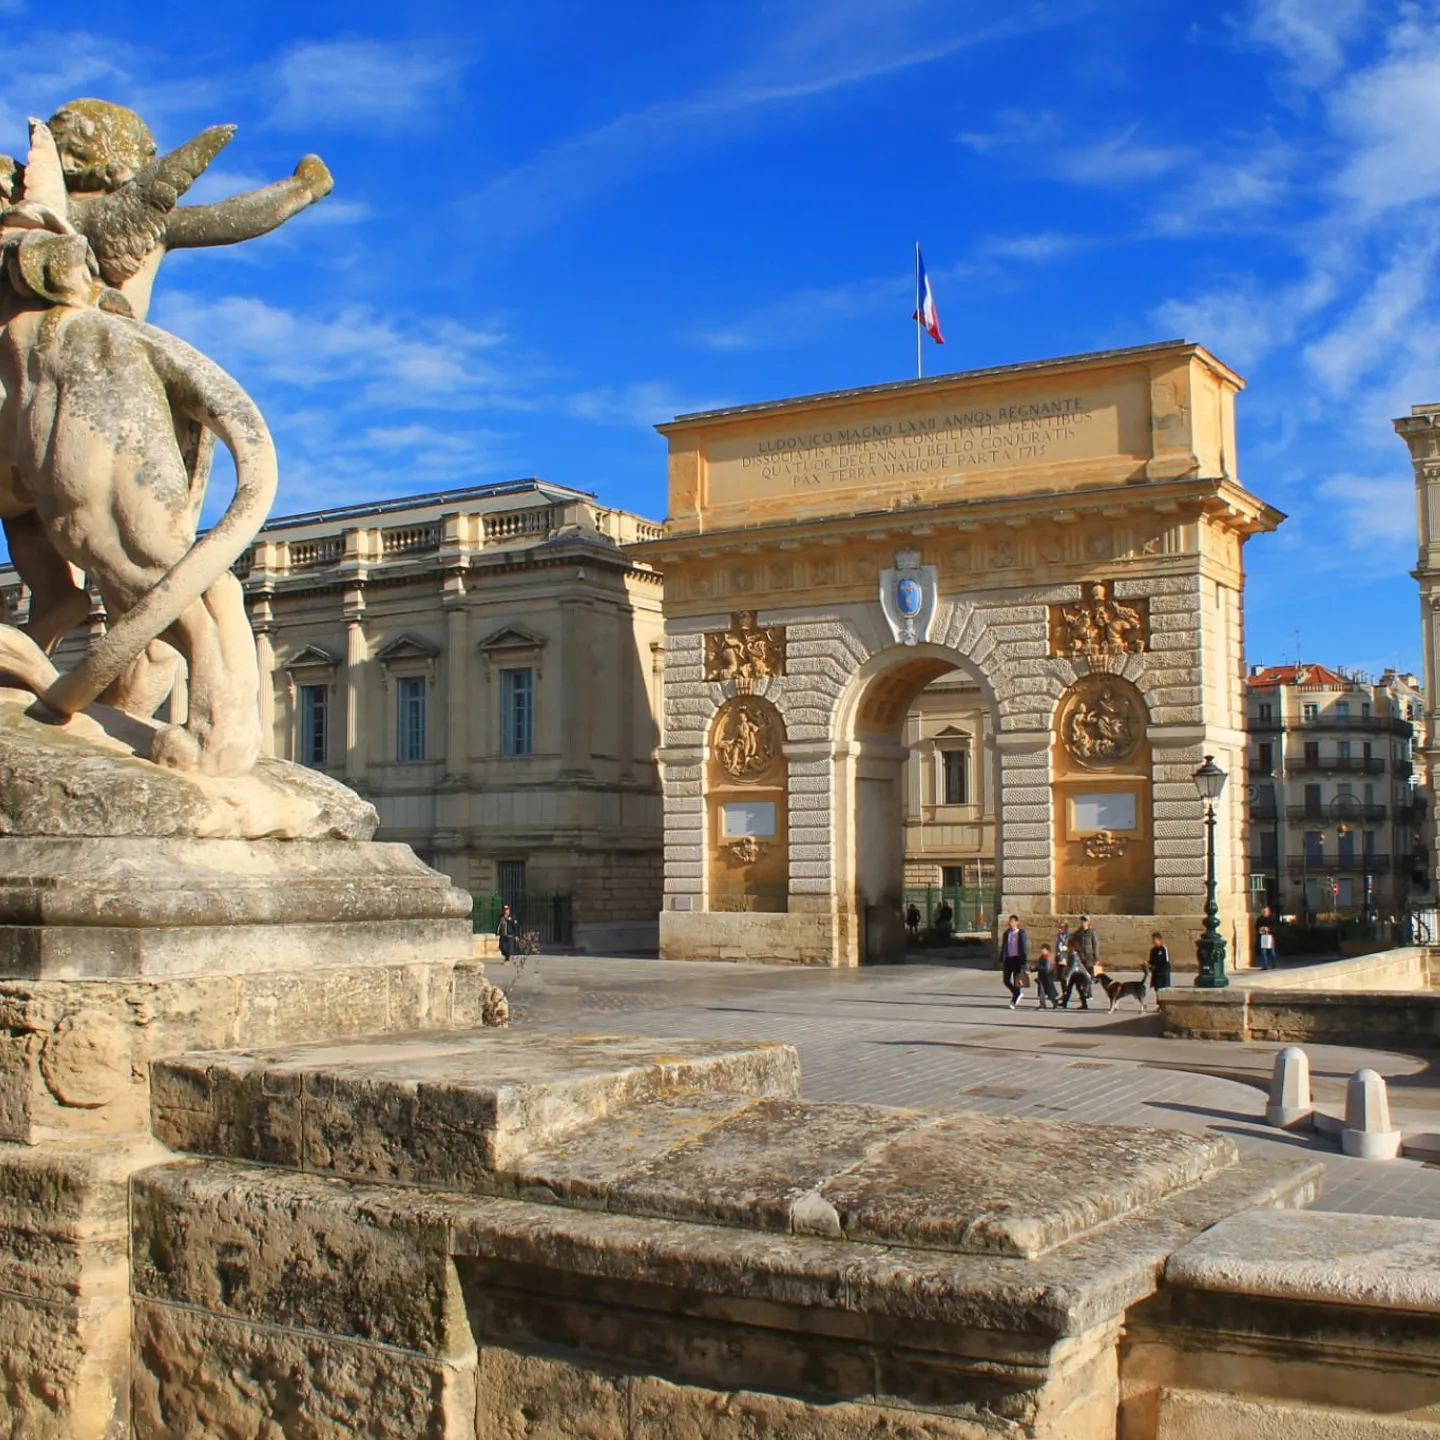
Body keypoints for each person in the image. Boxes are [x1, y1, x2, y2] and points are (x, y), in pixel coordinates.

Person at [998, 914, 1028, 1009]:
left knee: (1017, 981)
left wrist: (1024, 961)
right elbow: (1004, 946)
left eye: (1012, 921)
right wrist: (1002, 957)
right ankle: (1017, 993)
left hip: (1017, 959)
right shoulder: (1007, 933)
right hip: (1008, 959)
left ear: (1016, 922)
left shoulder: (1021, 933)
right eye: (1009, 921)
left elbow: (1024, 947)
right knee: (1006, 980)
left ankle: (1014, 1001)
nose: (1010, 923)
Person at [1034, 944, 1061, 1010]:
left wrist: (1037, 967)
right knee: (1042, 991)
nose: (1042, 950)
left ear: (1047, 950)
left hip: (1047, 976)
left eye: (1043, 949)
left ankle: (1054, 1002)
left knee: (1048, 991)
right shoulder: (1042, 957)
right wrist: (1034, 968)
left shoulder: (1047, 957)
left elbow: (1046, 968)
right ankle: (1043, 1005)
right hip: (1042, 976)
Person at [1256, 906, 1277, 970]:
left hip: (1270, 936)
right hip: (1262, 936)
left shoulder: (1272, 919)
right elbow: (1256, 927)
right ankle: (1264, 965)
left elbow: (1275, 928)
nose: (1264, 913)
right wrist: (1260, 928)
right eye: (1263, 911)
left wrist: (1268, 929)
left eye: (1265, 911)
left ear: (1268, 912)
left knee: (1271, 951)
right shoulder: (1259, 919)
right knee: (1263, 951)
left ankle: (1273, 963)